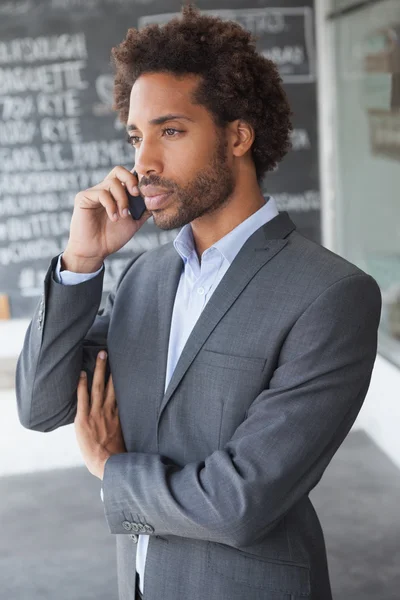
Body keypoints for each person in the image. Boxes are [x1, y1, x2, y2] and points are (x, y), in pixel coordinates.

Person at [16, 5, 382, 600]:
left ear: (238, 135)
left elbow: (241, 502)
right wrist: (81, 265)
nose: (144, 163)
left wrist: (111, 470)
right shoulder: (143, 280)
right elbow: (41, 404)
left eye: (171, 131)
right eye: (137, 137)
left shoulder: (332, 296)